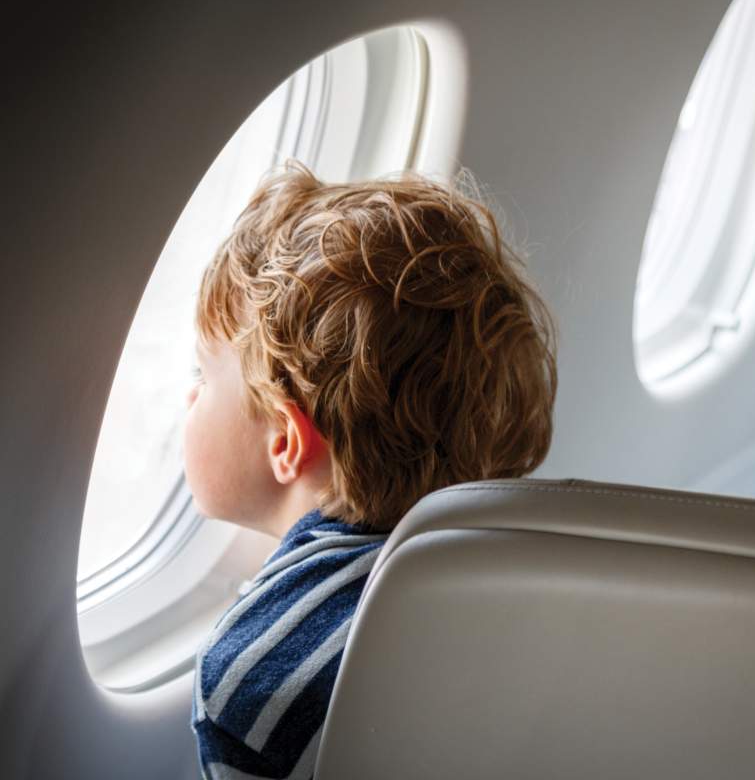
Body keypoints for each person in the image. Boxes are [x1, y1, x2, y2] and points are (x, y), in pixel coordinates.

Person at [185, 161, 557, 779]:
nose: (190, 398)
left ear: (285, 439)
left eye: (202, 375)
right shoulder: (518, 582)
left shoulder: (250, 678)